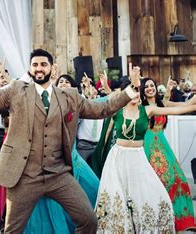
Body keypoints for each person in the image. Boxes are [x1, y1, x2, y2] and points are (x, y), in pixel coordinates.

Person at [0, 49, 140, 233]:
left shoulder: (69, 96)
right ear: (30, 68)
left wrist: (130, 91)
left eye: (43, 64)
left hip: (59, 174)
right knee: (12, 230)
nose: (39, 68)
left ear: (52, 68)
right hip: (25, 176)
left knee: (88, 220)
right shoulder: (16, 90)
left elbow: (101, 109)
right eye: (35, 65)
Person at [95, 79, 196, 232]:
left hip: (138, 157)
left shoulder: (147, 110)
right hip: (118, 159)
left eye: (137, 90)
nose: (136, 93)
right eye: (132, 90)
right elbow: (102, 103)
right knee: (117, 198)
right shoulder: (117, 110)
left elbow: (177, 110)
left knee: (156, 193)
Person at [24, 74, 100, 233]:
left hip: (73, 157)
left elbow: (98, 106)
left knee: (95, 188)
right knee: (54, 201)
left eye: (67, 81)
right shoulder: (46, 102)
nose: (64, 83)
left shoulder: (76, 101)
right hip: (51, 159)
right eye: (61, 81)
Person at [140, 77, 196, 231]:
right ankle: (160, 223)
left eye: (152, 85)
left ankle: (182, 221)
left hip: (163, 146)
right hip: (147, 147)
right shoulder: (140, 106)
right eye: (147, 86)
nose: (150, 88)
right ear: (142, 90)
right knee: (159, 183)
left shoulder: (161, 104)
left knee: (178, 178)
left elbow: (186, 105)